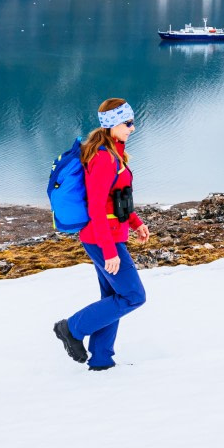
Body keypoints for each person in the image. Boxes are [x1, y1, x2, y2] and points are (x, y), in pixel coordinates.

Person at [53, 98, 151, 371]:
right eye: (128, 123)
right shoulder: (104, 158)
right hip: (101, 238)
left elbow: (117, 199)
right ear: (112, 125)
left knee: (113, 298)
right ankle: (71, 328)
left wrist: (135, 222)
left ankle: (101, 359)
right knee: (133, 296)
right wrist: (109, 251)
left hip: (110, 234)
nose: (133, 128)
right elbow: (96, 206)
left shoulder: (114, 152)